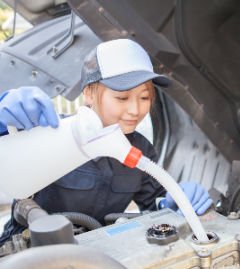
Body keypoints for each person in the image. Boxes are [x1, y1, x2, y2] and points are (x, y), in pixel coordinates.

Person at [0, 39, 213, 245]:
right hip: (30, 252)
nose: (135, 110)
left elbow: (153, 204)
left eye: (144, 97)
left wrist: (173, 200)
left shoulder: (141, 148)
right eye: (122, 97)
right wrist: (2, 122)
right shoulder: (51, 133)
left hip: (99, 255)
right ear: (89, 94)